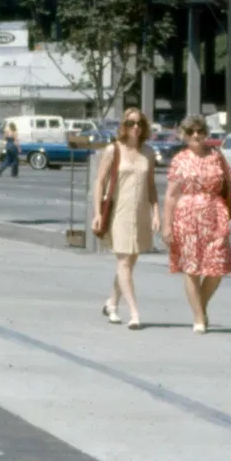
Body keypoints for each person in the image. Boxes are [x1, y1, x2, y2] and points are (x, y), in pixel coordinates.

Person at [162, 115, 231, 334]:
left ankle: (201, 305)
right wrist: (166, 225)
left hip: (216, 214)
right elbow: (170, 195)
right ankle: (199, 318)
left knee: (217, 267)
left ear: (206, 133)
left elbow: (229, 186)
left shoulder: (217, 156)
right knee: (192, 268)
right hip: (187, 217)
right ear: (184, 136)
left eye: (200, 131)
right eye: (191, 132)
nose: (196, 135)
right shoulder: (180, 159)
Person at [91, 108, 160, 329]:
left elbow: (151, 185)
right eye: (130, 123)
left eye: (139, 123)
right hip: (119, 213)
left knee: (130, 262)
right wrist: (98, 213)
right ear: (124, 125)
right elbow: (99, 182)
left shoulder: (148, 152)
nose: (135, 127)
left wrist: (156, 212)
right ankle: (134, 312)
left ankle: (111, 303)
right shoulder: (113, 150)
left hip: (140, 213)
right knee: (123, 263)